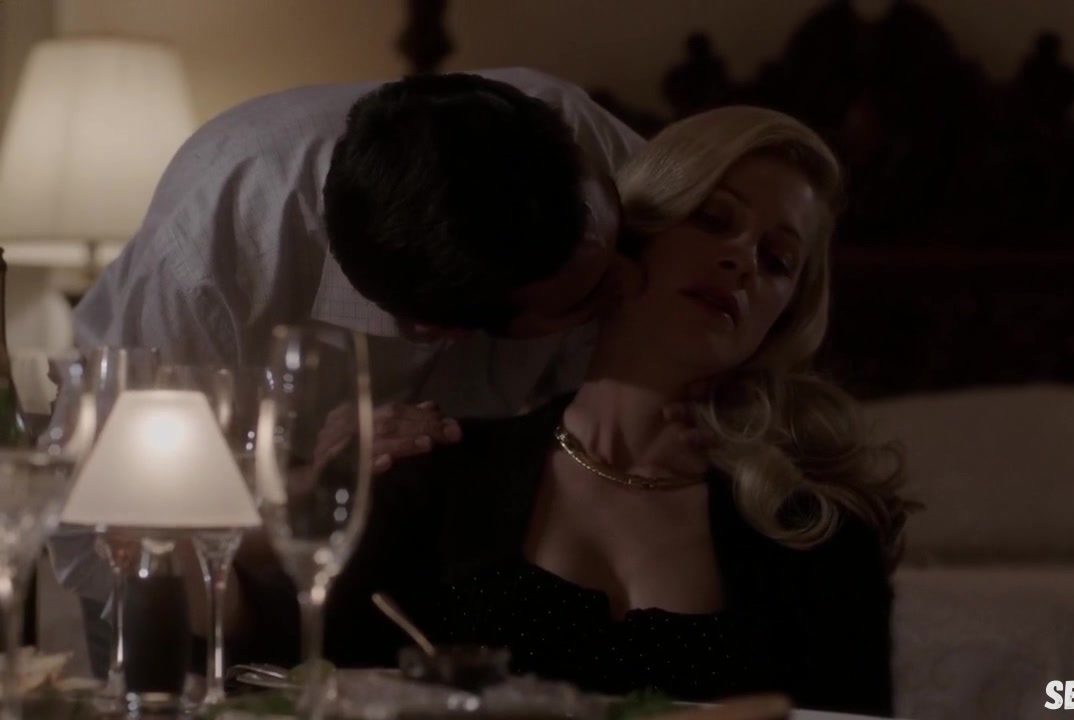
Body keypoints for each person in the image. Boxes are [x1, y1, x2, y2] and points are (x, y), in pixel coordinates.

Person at [228, 106, 910, 716]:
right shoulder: (440, 472)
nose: (742, 260)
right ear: (634, 236)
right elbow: (284, 666)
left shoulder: (816, 531)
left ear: (782, 317)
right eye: (715, 220)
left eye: (778, 259)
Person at [52, 68, 648, 677]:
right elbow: (128, 528)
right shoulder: (210, 249)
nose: (633, 283)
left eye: (611, 224)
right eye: (587, 298)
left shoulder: (571, 128)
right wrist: (310, 487)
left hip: (454, 567)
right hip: (209, 569)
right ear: (439, 332)